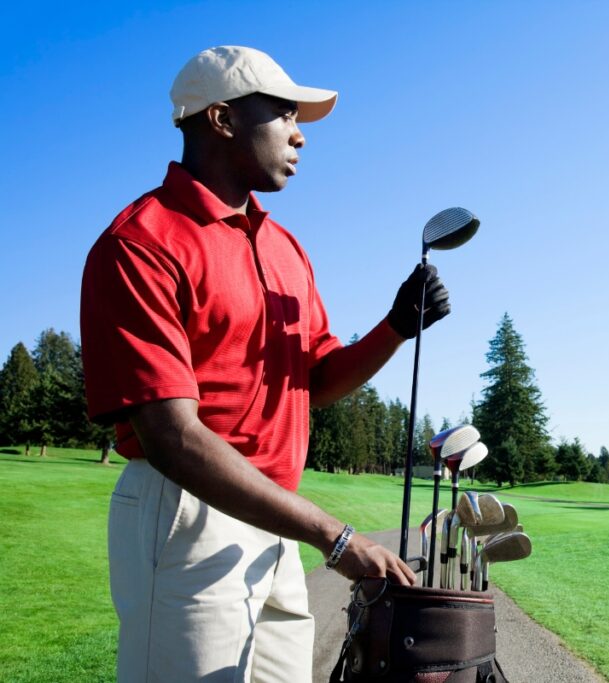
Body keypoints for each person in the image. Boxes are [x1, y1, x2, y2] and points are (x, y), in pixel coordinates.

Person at [80, 46, 450, 682]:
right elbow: (170, 437)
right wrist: (333, 536)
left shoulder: (285, 247)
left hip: (276, 517)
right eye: (283, 114)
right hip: (186, 513)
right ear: (221, 119)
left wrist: (395, 328)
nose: (300, 134)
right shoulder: (141, 243)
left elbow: (315, 381)